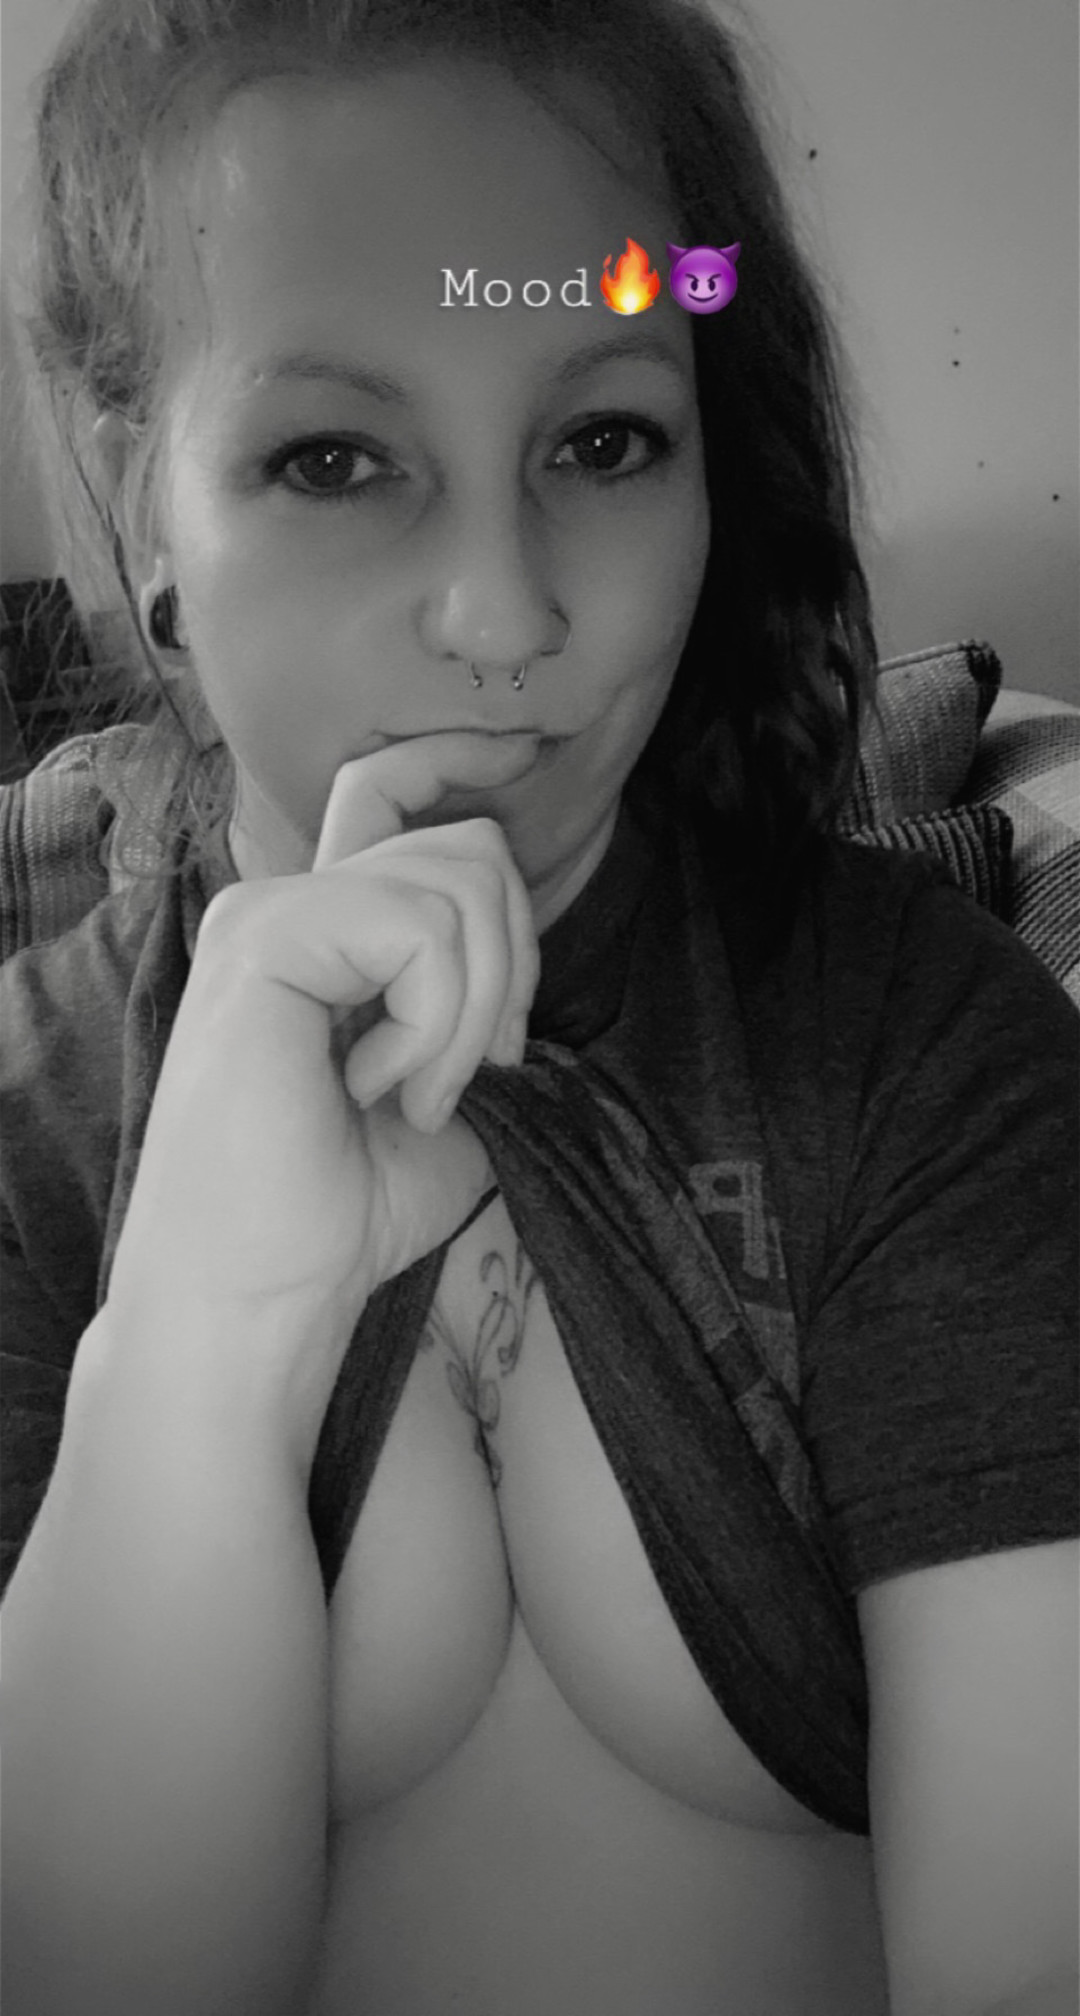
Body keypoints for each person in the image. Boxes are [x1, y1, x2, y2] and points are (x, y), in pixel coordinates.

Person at [1, 0, 1077, 2011]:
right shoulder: (29, 1131)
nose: (505, 615)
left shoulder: (927, 1046)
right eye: (334, 458)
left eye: (603, 440)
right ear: (148, 515)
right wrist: (198, 1344)